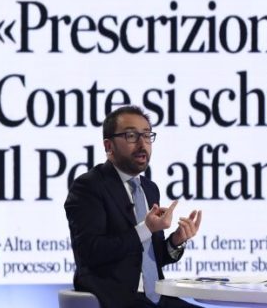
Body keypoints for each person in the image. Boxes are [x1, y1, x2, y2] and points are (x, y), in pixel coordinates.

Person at [65, 105, 202, 308]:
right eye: (131, 136)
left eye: (147, 135)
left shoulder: (149, 188)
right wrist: (145, 229)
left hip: (157, 298)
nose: (142, 144)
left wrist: (176, 241)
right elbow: (90, 252)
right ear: (109, 146)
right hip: (116, 300)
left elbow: (149, 260)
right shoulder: (89, 186)